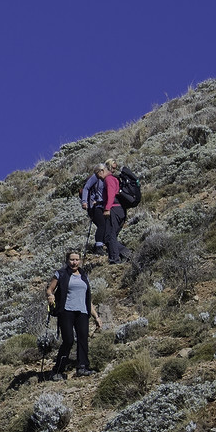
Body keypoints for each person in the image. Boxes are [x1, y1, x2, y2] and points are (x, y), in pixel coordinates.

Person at [45, 249, 105, 378]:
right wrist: (50, 296)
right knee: (68, 340)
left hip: (82, 311)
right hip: (66, 311)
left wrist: (96, 316)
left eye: (77, 260)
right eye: (72, 260)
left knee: (83, 339)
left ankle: (82, 367)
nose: (74, 262)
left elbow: (87, 299)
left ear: (80, 261)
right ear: (67, 261)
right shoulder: (61, 273)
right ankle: (57, 370)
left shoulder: (83, 275)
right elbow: (50, 289)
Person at [79, 161, 127, 265]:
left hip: (111, 208)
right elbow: (87, 188)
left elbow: (111, 195)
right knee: (108, 234)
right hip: (111, 208)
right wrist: (86, 202)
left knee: (109, 235)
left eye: (97, 174)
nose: (97, 177)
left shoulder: (109, 179)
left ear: (102, 171)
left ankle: (118, 256)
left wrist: (107, 208)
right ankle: (116, 256)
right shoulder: (110, 178)